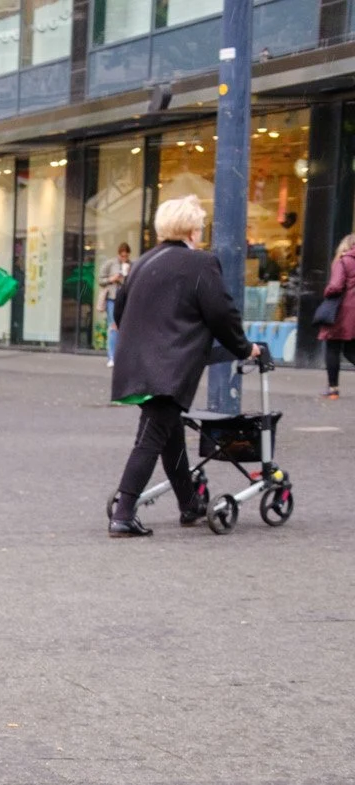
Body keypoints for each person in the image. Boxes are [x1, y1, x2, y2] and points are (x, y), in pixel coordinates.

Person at [108, 194, 258, 537]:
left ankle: (189, 503)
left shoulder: (143, 262)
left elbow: (120, 310)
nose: (201, 232)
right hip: (170, 366)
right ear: (192, 230)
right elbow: (220, 313)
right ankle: (124, 513)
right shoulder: (200, 264)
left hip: (137, 363)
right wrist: (244, 347)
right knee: (150, 437)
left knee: (170, 433)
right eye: (200, 227)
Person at [317, 231, 354, 399]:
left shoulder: (344, 261)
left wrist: (327, 291)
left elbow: (336, 286)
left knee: (332, 346)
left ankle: (333, 388)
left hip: (342, 311)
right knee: (351, 349)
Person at [99, 243, 132, 368]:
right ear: (118, 254)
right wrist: (112, 279)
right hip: (112, 299)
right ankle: (112, 357)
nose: (124, 258)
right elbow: (100, 280)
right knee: (113, 327)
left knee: (125, 328)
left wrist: (127, 276)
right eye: (122, 256)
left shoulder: (131, 265)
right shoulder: (110, 264)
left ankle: (122, 357)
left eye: (126, 256)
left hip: (125, 300)